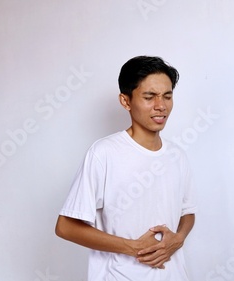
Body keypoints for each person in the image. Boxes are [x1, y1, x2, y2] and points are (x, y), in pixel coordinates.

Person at [55, 56, 197, 281]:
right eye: (149, 97)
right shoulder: (104, 153)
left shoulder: (177, 156)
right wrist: (133, 247)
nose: (161, 106)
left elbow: (187, 212)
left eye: (167, 96)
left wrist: (179, 237)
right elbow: (65, 227)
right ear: (125, 101)